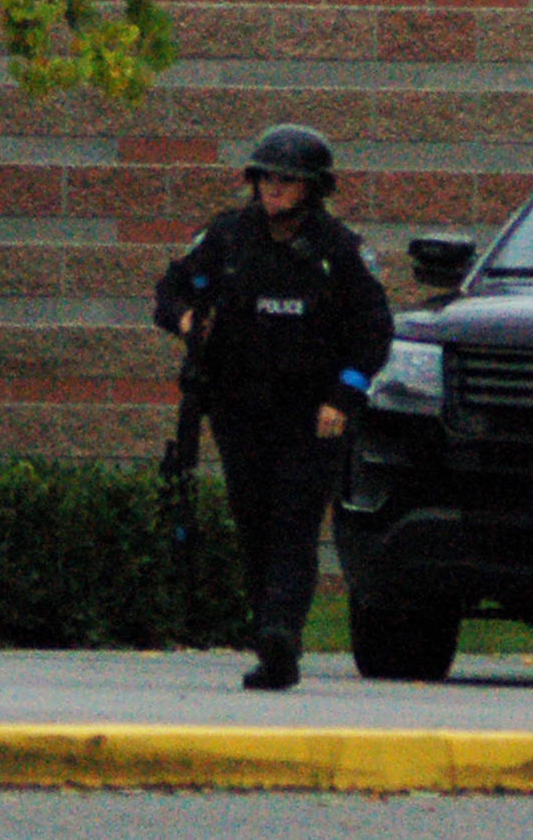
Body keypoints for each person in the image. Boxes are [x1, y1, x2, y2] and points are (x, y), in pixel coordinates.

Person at [154, 124, 393, 690]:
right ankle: (269, 636)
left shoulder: (340, 251)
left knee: (293, 523)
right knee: (254, 520)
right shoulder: (228, 237)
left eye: (287, 180)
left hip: (313, 415)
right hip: (239, 409)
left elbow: (374, 330)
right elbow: (172, 290)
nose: (274, 189)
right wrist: (188, 321)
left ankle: (282, 633)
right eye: (266, 177)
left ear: (313, 188)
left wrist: (345, 394)